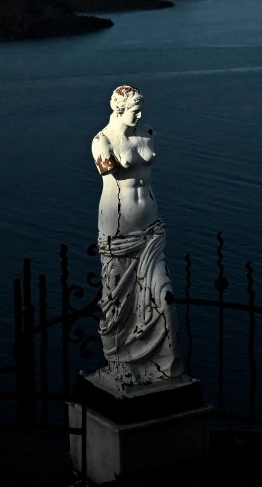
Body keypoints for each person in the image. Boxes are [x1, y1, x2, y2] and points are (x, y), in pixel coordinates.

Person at [90, 85, 183, 386]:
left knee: (163, 297)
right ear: (118, 109)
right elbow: (108, 172)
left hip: (151, 230)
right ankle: (118, 361)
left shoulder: (147, 133)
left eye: (141, 108)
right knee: (118, 301)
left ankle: (163, 365)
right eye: (134, 110)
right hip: (119, 228)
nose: (140, 114)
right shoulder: (102, 141)